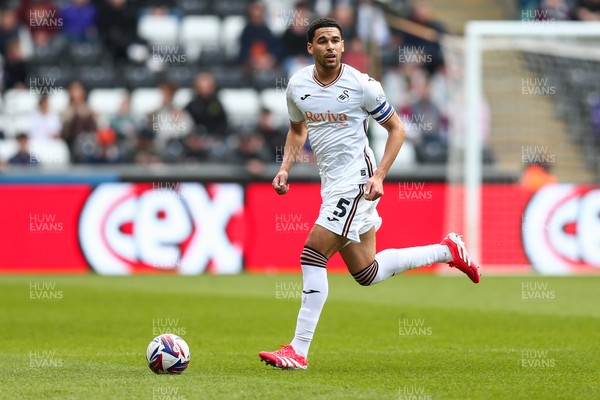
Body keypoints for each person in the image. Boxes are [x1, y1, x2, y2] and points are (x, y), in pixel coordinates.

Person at [258, 18, 480, 371]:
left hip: (358, 181)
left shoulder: (362, 86)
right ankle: (447, 250)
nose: (331, 46)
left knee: (312, 256)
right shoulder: (298, 86)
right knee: (366, 272)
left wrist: (379, 175)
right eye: (323, 41)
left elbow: (397, 129)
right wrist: (285, 167)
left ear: (343, 46)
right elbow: (297, 131)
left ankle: (298, 350)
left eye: (336, 40)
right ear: (310, 48)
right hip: (331, 183)